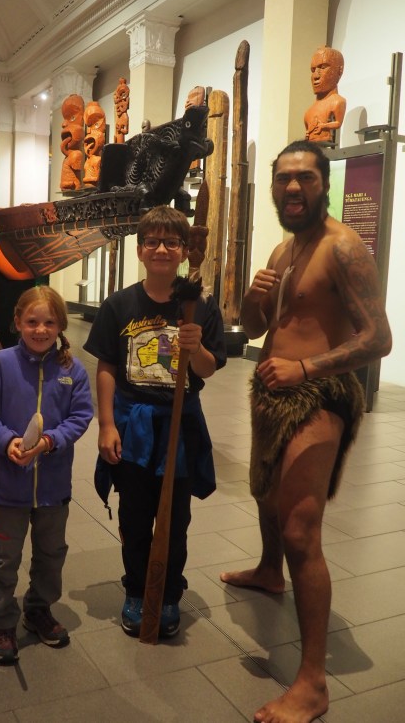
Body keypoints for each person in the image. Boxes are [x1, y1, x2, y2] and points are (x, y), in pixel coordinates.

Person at [220, 140, 392, 723]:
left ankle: (313, 682)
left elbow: (379, 338)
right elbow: (254, 328)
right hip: (273, 388)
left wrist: (305, 369)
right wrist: (252, 300)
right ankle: (270, 573)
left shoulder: (344, 248)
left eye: (306, 178)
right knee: (266, 492)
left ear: (324, 185)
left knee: (300, 528)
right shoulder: (284, 248)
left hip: (321, 393)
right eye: (284, 178)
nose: (293, 187)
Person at [84, 205, 226, 638]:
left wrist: (196, 347)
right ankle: (135, 588)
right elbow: (107, 367)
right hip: (134, 425)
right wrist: (106, 425)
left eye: (171, 242)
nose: (161, 249)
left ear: (183, 250)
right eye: (152, 241)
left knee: (175, 519)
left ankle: (167, 593)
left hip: (178, 428)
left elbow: (207, 370)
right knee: (134, 515)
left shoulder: (199, 306)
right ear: (140, 249)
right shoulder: (119, 304)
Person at [0, 286, 93, 665]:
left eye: (49, 322)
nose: (40, 330)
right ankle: (3, 621)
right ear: (18, 322)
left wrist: (51, 440)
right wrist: (6, 441)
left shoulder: (73, 370)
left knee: (51, 554)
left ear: (61, 326)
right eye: (32, 321)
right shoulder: (0, 364)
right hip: (9, 489)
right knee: (6, 559)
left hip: (54, 489)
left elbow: (81, 416)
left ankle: (38, 609)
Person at [304, 46, 346, 144]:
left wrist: (323, 126)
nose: (316, 76)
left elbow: (338, 123)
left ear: (339, 71)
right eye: (313, 70)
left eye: (323, 68)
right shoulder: (308, 112)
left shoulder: (338, 102)